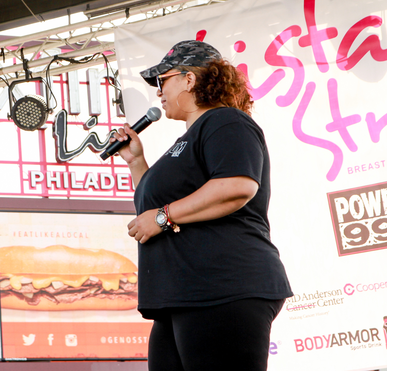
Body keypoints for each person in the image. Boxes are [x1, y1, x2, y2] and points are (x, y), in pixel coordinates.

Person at [110, 40, 293, 370]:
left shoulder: (226, 122)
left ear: (189, 79)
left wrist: (164, 217)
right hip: (183, 294)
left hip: (221, 287)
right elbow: (153, 206)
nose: (157, 92)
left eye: (161, 80)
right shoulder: (186, 141)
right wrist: (137, 163)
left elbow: (237, 186)